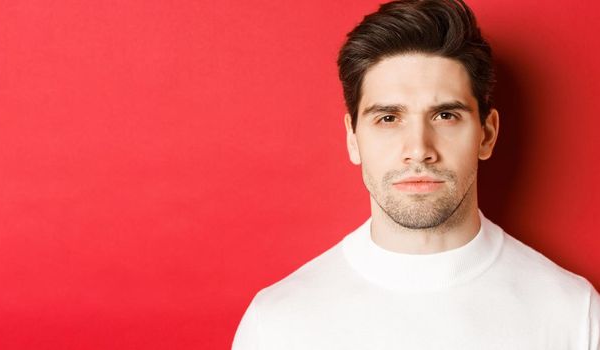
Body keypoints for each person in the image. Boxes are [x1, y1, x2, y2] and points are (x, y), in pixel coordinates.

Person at [232, 0, 600, 349]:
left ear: (487, 135)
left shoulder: (574, 316)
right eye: (388, 118)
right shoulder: (278, 325)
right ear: (353, 139)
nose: (419, 148)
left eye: (445, 115)